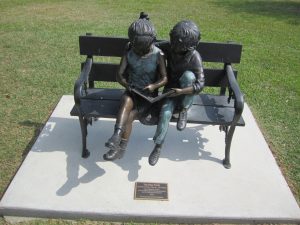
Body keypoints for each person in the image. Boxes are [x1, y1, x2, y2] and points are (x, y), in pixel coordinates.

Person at [103, 16, 168, 161]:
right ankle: (116, 136)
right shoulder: (129, 52)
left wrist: (153, 86)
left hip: (147, 96)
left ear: (151, 42)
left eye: (143, 48)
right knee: (126, 100)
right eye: (137, 48)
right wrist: (127, 85)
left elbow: (165, 79)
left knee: (131, 116)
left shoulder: (158, 54)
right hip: (132, 91)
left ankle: (121, 148)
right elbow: (119, 75)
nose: (139, 51)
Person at [149, 20, 205, 166]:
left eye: (177, 45)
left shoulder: (194, 57)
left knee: (189, 76)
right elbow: (152, 45)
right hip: (170, 91)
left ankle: (184, 110)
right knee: (165, 113)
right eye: (172, 42)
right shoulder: (169, 47)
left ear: (188, 47)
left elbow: (200, 84)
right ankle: (158, 145)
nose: (172, 46)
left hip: (185, 93)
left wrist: (182, 91)